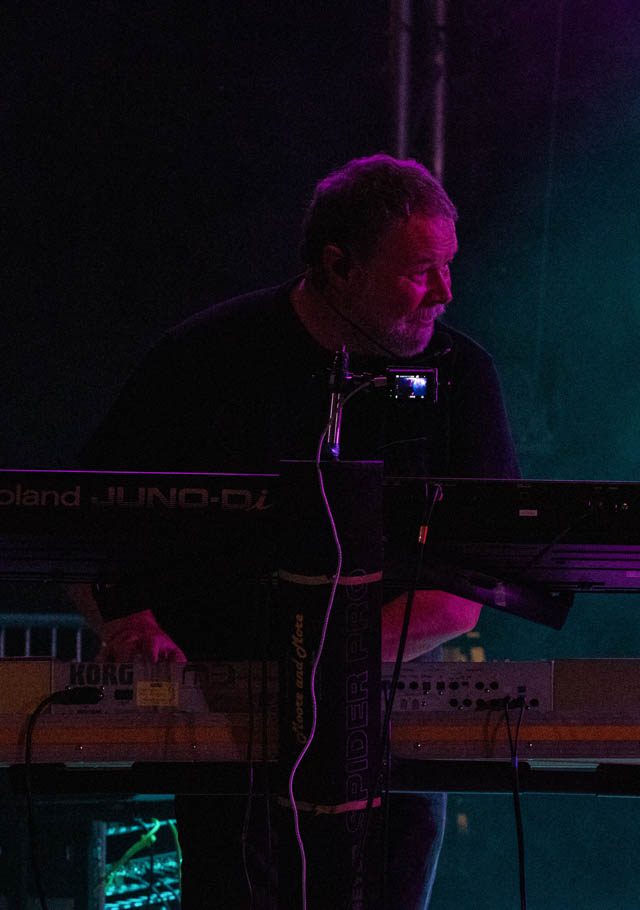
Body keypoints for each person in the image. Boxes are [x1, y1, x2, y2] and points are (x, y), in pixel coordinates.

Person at [79, 154, 519, 908]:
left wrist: (319, 670)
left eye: (447, 267)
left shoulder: (462, 375)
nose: (445, 293)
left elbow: (472, 583)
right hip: (225, 722)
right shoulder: (204, 359)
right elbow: (82, 526)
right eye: (420, 272)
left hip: (385, 720)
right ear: (338, 266)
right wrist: (129, 621)